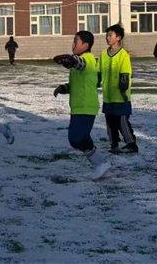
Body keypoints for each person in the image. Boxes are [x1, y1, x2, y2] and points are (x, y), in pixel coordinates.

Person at [53, 31, 110, 180]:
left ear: (85, 45)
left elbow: (80, 63)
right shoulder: (78, 64)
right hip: (78, 107)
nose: (73, 44)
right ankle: (100, 162)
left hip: (86, 106)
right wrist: (63, 88)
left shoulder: (89, 59)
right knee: (76, 139)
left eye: (76, 41)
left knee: (78, 138)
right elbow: (75, 84)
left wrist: (71, 61)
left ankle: (100, 163)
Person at [98, 24, 137, 154]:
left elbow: (125, 74)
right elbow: (98, 72)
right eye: (107, 35)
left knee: (122, 121)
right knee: (110, 122)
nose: (107, 37)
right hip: (108, 96)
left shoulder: (123, 54)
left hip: (121, 96)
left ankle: (131, 144)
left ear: (118, 37)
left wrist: (123, 90)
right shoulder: (103, 54)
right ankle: (114, 144)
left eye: (110, 35)